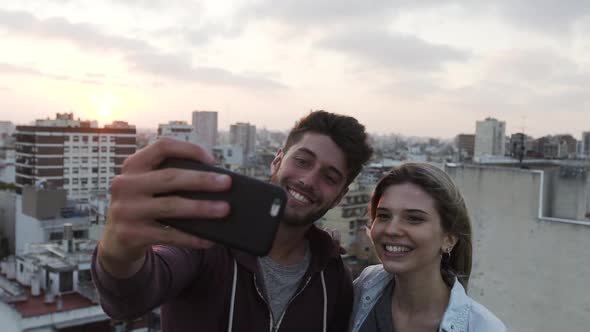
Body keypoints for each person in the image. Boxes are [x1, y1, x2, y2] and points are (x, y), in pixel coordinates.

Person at [91, 110, 373, 332]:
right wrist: (119, 252)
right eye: (302, 161)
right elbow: (133, 294)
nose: (309, 180)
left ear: (339, 197)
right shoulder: (209, 236)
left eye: (330, 177)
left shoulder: (333, 275)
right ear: (277, 161)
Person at [350, 163, 506, 332]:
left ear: (449, 239)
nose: (391, 229)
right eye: (383, 216)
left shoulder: (483, 327)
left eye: (414, 219)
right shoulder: (365, 286)